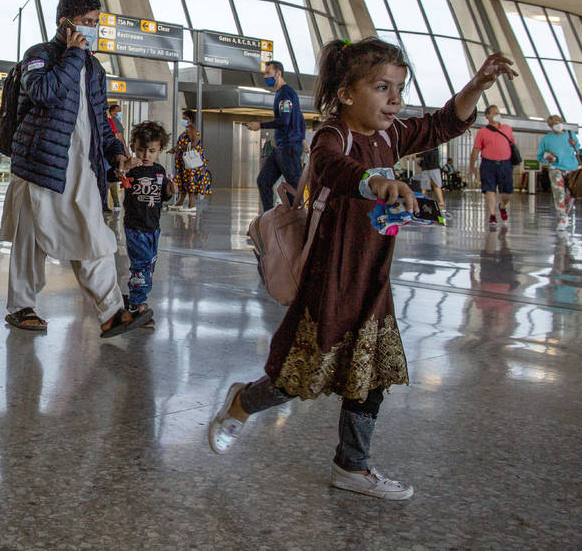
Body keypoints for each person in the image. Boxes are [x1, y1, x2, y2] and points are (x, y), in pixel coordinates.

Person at [207, 37, 517, 501]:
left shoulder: (391, 135)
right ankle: (242, 402)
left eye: (399, 88)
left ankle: (352, 466)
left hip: (372, 275)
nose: (395, 99)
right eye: (382, 87)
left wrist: (478, 83)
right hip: (330, 279)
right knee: (298, 376)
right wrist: (378, 181)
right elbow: (333, 168)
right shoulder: (334, 135)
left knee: (371, 372)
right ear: (349, 94)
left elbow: (442, 124)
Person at [0, 0, 151, 336]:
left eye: (95, 23)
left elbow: (99, 119)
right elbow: (42, 92)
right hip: (40, 164)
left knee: (92, 232)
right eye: (86, 22)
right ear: (64, 22)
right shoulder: (38, 55)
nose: (92, 29)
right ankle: (22, 307)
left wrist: (115, 152)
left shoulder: (95, 68)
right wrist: (73, 55)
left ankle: (111, 311)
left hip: (82, 168)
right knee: (30, 240)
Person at [120, 121, 175, 326]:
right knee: (141, 264)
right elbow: (117, 176)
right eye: (142, 150)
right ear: (133, 147)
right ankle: (138, 303)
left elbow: (162, 197)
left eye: (152, 151)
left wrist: (169, 192)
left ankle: (137, 297)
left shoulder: (160, 171)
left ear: (160, 150)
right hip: (135, 226)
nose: (146, 155)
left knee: (149, 264)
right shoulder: (132, 169)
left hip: (153, 226)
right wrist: (122, 170)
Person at [246, 60, 306, 213]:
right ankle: (269, 218)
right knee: (263, 181)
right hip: (281, 147)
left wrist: (260, 125)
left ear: (278, 73)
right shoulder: (282, 93)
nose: (265, 77)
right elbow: (298, 118)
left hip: (288, 148)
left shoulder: (286, 93)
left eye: (268, 73)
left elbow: (284, 120)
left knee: (294, 188)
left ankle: (297, 221)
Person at [469, 105, 516, 231]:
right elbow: (476, 150)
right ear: (487, 116)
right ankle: (492, 215)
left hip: (505, 164)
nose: (497, 114)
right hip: (488, 164)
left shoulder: (507, 129)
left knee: (508, 192)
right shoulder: (482, 132)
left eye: (498, 112)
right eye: (494, 112)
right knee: (489, 190)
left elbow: (513, 145)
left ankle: (502, 205)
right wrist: (472, 166)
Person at [536, 114, 580, 232]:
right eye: (553, 123)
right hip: (555, 168)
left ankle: (564, 213)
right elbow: (539, 156)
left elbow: (578, 148)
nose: (557, 124)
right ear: (550, 126)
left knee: (572, 194)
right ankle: (562, 217)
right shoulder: (547, 139)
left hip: (572, 168)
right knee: (559, 193)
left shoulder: (570, 135)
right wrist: (548, 158)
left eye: (558, 121)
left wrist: (574, 144)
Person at [171, 110, 211, 212]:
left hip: (190, 162)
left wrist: (179, 148)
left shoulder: (191, 129)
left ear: (190, 120)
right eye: (183, 118)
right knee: (184, 181)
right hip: (184, 161)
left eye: (185, 119)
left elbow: (194, 144)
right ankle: (180, 202)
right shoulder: (188, 129)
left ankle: (191, 204)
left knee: (190, 181)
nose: (183, 120)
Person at [105, 103, 127, 211]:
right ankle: (113, 202)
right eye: (118, 111)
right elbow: (119, 138)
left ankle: (114, 202)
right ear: (112, 112)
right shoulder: (110, 122)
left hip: (115, 152)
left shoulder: (115, 122)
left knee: (112, 178)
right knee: (111, 178)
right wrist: (125, 152)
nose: (119, 113)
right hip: (113, 152)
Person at [416, 145, 446, 213]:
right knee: (424, 185)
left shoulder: (433, 145)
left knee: (436, 184)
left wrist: (416, 155)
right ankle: (422, 200)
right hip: (426, 167)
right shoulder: (427, 145)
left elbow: (427, 153)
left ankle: (441, 201)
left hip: (433, 167)